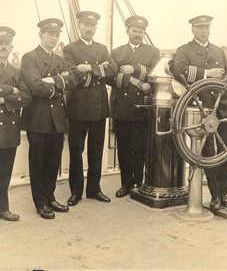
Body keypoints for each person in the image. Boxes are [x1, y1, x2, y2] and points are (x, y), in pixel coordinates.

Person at [173, 15, 227, 210]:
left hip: (224, 107)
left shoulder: (219, 50)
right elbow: (178, 70)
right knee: (207, 152)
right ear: (192, 29)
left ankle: (224, 193)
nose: (203, 31)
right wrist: (207, 74)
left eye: (206, 27)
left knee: (226, 150)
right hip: (201, 106)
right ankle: (215, 195)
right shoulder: (184, 50)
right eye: (199, 27)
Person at [21, 19, 77, 219]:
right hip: (38, 118)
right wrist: (58, 85)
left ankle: (50, 196)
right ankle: (41, 202)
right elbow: (36, 86)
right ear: (41, 35)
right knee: (38, 162)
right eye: (50, 34)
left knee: (53, 161)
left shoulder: (60, 59)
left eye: (57, 35)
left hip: (57, 119)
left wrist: (52, 80)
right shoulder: (29, 57)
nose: (54, 38)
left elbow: (73, 81)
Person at [63, 11, 117, 206]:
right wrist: (98, 69)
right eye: (85, 25)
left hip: (98, 106)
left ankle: (94, 189)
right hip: (78, 106)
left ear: (96, 28)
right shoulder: (69, 49)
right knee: (76, 151)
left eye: (92, 26)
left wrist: (88, 68)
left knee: (96, 151)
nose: (89, 28)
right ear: (79, 26)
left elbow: (113, 69)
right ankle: (76, 192)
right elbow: (72, 73)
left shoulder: (102, 48)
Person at [106, 16, 160, 198]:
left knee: (139, 147)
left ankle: (139, 182)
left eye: (141, 31)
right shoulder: (116, 52)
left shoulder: (153, 51)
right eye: (134, 30)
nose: (137, 34)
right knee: (123, 147)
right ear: (127, 31)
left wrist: (132, 68)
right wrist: (135, 79)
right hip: (122, 107)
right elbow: (110, 76)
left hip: (141, 107)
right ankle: (126, 184)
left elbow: (155, 73)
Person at [0, 27, 32, 221]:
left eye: (6, 44)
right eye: (0, 43)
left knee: (5, 171)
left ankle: (3, 208)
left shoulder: (17, 72)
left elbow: (27, 97)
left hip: (9, 129)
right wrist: (10, 89)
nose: (3, 47)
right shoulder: (15, 78)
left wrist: (4, 100)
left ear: (11, 46)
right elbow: (18, 93)